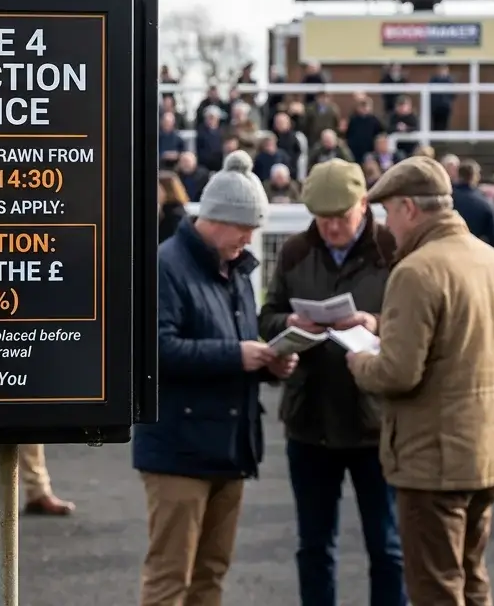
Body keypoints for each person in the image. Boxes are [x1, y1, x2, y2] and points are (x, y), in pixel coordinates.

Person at [347, 156, 494, 605]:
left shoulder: (416, 270)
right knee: (472, 577)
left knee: (435, 587)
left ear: (409, 208)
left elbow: (397, 373)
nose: (388, 226)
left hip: (433, 459)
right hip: (488, 452)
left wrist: (357, 360)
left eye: (388, 213)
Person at [135, 150, 297, 606]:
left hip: (227, 444)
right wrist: (237, 356)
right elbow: (156, 351)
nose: (250, 238)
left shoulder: (237, 269)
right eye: (245, 227)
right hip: (179, 447)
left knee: (211, 576)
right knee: (170, 578)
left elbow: (238, 341)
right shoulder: (166, 265)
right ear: (215, 218)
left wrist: (268, 364)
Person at [258, 159, 406, 606]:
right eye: (322, 220)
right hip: (311, 418)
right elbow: (268, 315)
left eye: (341, 218)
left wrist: (373, 323)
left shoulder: (394, 249)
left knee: (387, 547)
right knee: (314, 546)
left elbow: (417, 323)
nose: (332, 228)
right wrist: (290, 321)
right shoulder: (295, 251)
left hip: (375, 420)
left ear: (364, 204)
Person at [451, 161, 494, 249]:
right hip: (475, 250)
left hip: (449, 248)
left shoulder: (448, 199)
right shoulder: (485, 203)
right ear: (475, 177)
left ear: (458, 175)